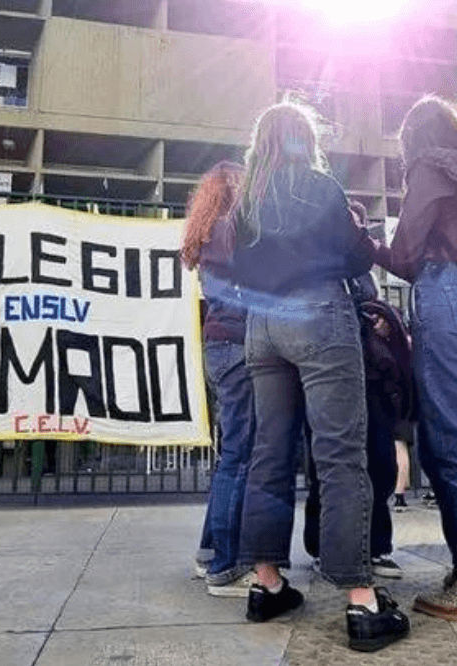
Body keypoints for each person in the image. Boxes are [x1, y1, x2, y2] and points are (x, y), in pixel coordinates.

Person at [232, 101, 409, 653]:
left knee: (270, 453)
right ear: (304, 140)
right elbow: (358, 260)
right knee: (339, 456)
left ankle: (267, 585)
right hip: (319, 318)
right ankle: (361, 600)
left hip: (263, 326)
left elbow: (235, 266)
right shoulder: (321, 187)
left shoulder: (248, 198)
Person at [372, 95, 457, 625]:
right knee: (448, 443)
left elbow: (406, 252)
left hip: (448, 298)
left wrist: (366, 243)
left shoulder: (431, 166)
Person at [180, 161, 259, 597]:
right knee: (240, 456)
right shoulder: (234, 229)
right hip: (238, 346)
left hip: (218, 347)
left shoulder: (209, 232)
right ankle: (227, 567)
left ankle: (210, 553)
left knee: (232, 453)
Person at [303, 269, 410, 580]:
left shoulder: (360, 268)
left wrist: (382, 319)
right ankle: (325, 547)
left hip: (369, 374)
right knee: (329, 463)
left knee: (379, 463)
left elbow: (377, 303)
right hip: (327, 370)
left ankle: (374, 546)